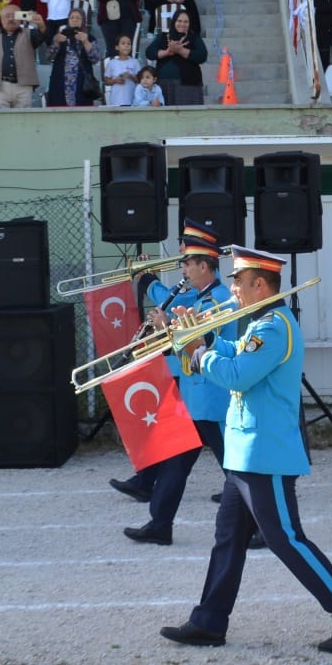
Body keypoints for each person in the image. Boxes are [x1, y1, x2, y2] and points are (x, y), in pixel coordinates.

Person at [160, 247, 332, 653]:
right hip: (244, 452)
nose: (232, 287)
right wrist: (193, 337)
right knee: (228, 537)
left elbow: (238, 375)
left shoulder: (274, 326)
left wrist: (198, 352)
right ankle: (208, 621)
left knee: (286, 539)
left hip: (265, 452)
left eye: (238, 281)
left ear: (260, 284)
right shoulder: (256, 324)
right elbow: (232, 356)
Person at [119, 227, 238, 544]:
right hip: (195, 396)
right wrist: (161, 333)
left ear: (204, 266)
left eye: (187, 264)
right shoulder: (200, 297)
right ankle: (160, 525)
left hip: (213, 398)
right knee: (176, 462)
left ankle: (262, 524)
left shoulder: (221, 300)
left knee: (236, 469)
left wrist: (166, 328)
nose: (183, 270)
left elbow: (199, 342)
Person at [45, 8, 102, 107]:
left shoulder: (90, 38)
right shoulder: (59, 37)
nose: (75, 20)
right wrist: (56, 42)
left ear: (83, 21)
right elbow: (49, 57)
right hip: (60, 82)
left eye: (78, 18)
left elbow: (95, 59)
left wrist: (86, 42)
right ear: (68, 20)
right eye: (72, 18)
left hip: (82, 84)